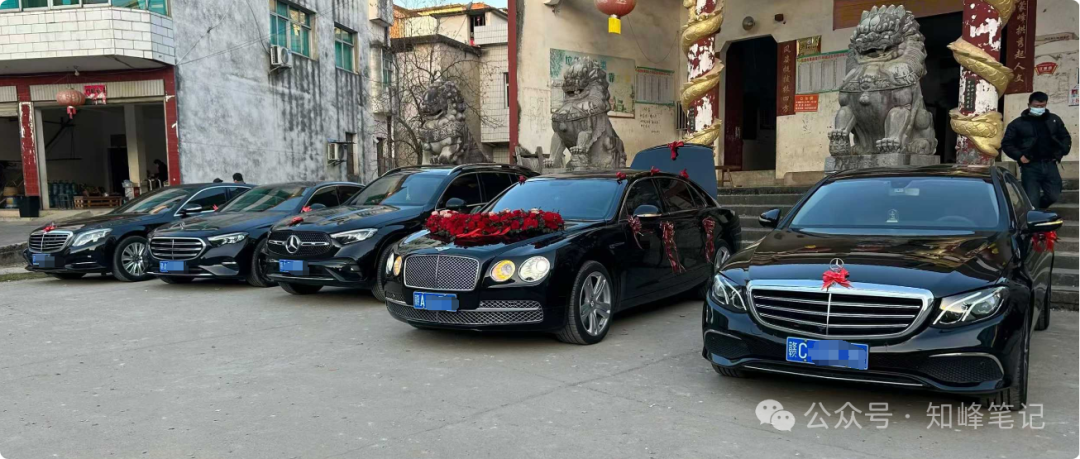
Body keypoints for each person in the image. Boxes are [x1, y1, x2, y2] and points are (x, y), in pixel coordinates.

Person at [1002, 91, 1072, 209]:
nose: (1039, 108)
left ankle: (1038, 210)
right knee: (1032, 199)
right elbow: (1007, 143)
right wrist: (1019, 156)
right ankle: (1034, 214)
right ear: (1029, 105)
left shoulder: (1054, 120)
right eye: (1036, 106)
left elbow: (1065, 137)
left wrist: (1062, 151)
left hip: (1050, 164)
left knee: (1054, 196)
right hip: (1030, 166)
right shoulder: (1017, 124)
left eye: (1042, 106)